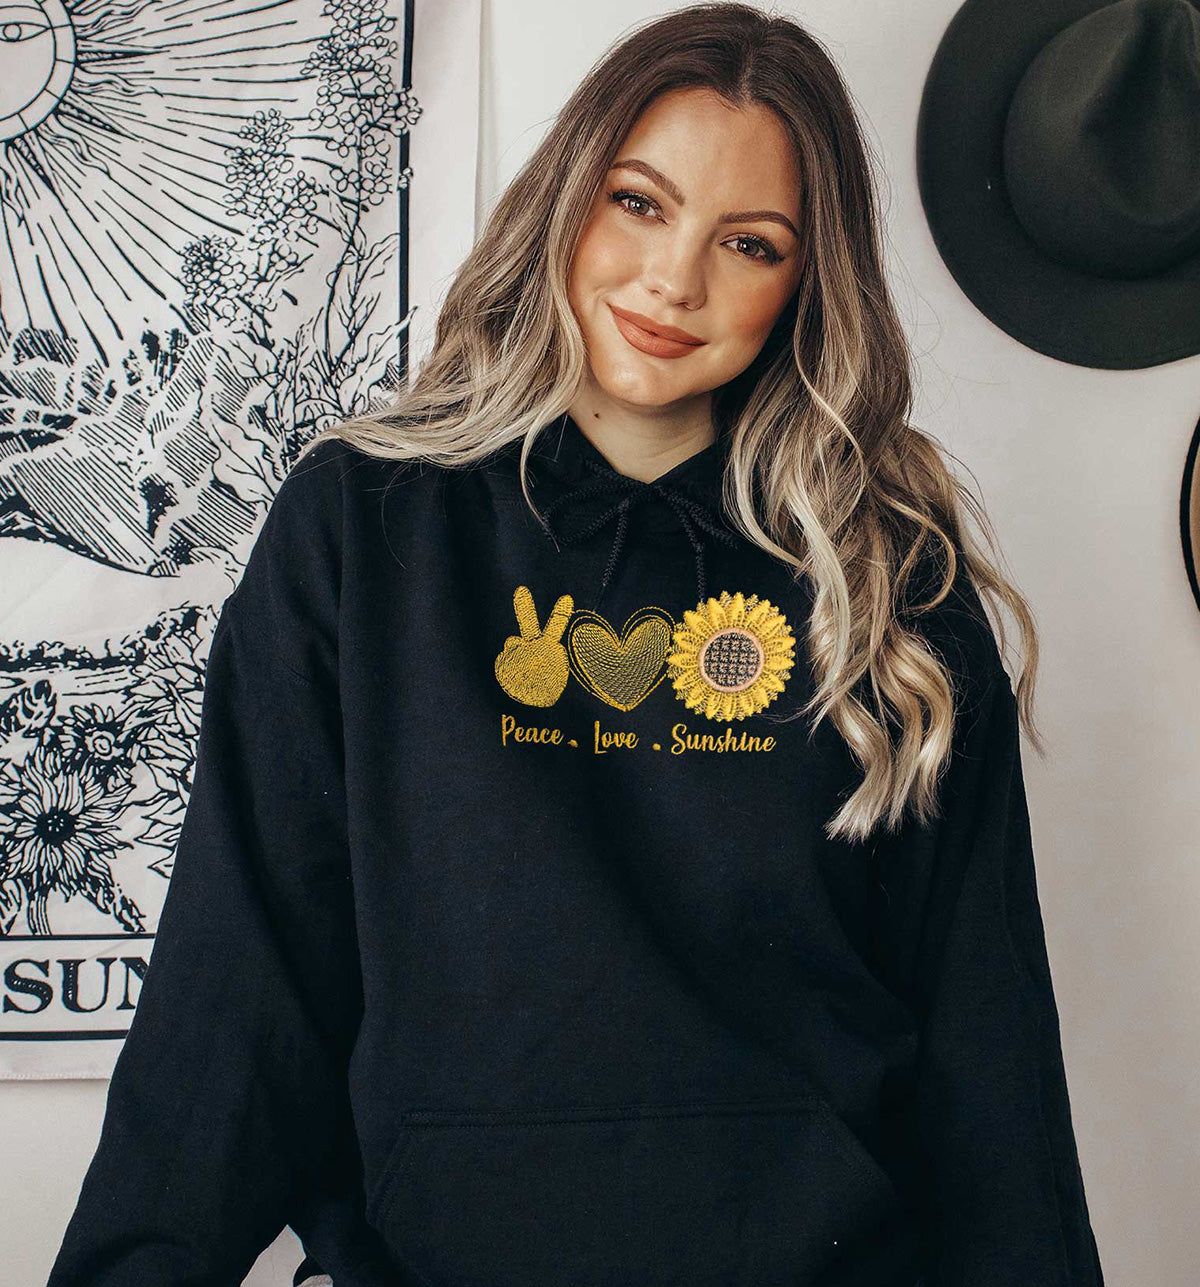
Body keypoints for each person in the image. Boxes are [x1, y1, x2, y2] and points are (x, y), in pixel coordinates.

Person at [46, 3, 1106, 1285]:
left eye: (750, 243)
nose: (675, 281)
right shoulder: (366, 529)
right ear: (568, 198)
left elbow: (985, 1043)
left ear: (805, 281)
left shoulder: (888, 574)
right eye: (640, 204)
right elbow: (241, 981)